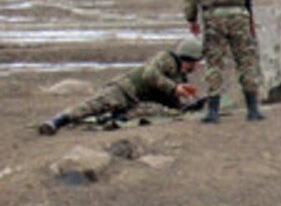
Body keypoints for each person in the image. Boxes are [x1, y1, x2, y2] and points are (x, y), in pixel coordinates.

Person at [39, 39, 204, 135]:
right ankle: (57, 121)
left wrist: (189, 104)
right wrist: (174, 89)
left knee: (151, 113)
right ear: (191, 59)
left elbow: (171, 103)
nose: (199, 66)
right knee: (92, 106)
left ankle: (114, 119)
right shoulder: (166, 59)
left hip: (135, 101)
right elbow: (149, 74)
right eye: (198, 62)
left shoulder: (179, 76)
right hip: (124, 89)